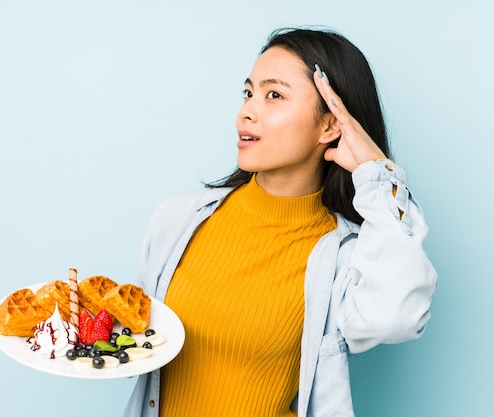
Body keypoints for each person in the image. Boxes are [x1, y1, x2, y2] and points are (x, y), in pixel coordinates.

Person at [122, 27, 437, 417]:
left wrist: (377, 176)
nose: (247, 111)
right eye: (248, 92)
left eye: (274, 95)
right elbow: (138, 338)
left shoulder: (344, 256)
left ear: (331, 125)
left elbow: (394, 320)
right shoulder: (180, 218)